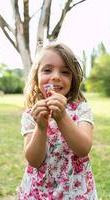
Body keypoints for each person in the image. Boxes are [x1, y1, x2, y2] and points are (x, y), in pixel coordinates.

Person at [17, 43, 98, 199]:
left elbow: (83, 149)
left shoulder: (81, 109)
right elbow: (34, 160)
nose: (55, 76)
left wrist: (62, 117)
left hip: (75, 191)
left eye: (65, 72)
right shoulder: (31, 115)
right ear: (36, 77)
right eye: (47, 70)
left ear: (73, 79)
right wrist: (41, 127)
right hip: (39, 191)